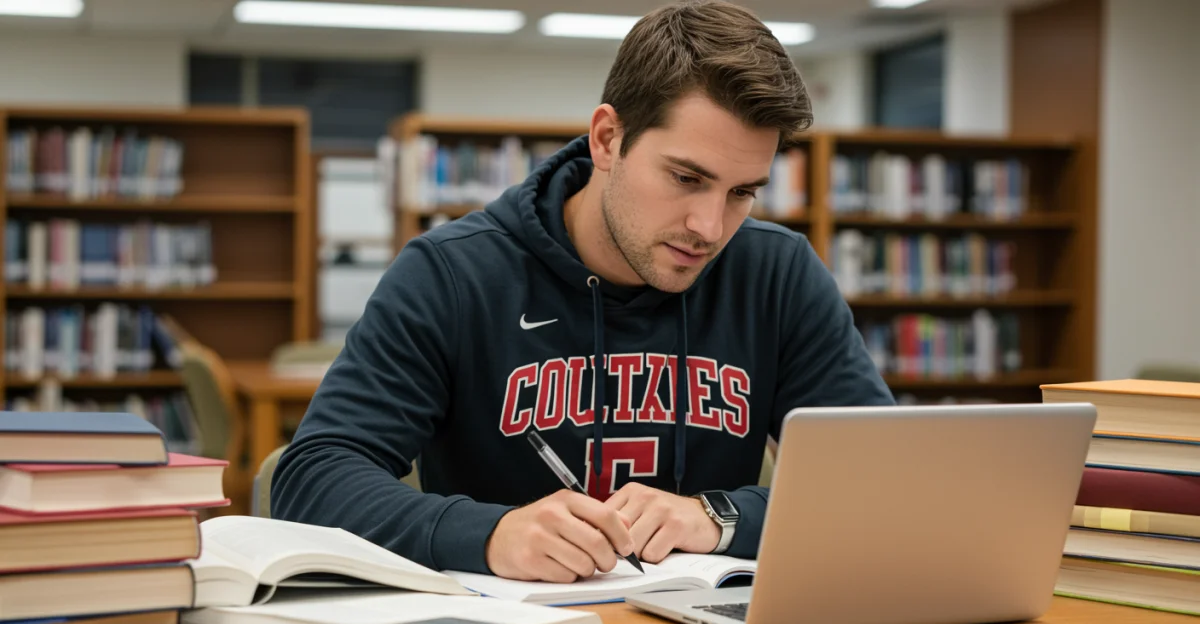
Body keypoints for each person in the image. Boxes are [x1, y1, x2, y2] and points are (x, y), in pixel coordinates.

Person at [271, 0, 894, 584]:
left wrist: (720, 517)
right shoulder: (454, 274)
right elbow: (314, 476)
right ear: (607, 140)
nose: (710, 228)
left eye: (742, 192)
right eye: (685, 177)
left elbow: (881, 476)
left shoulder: (776, 273)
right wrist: (488, 534)